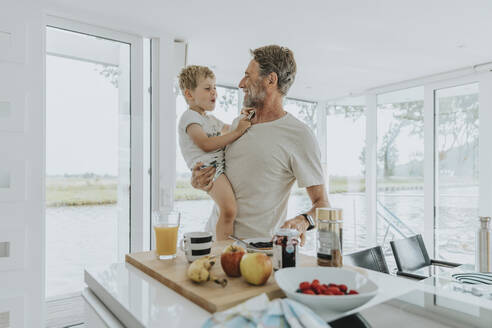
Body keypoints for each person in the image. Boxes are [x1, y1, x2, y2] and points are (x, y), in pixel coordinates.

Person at [191, 45, 330, 245]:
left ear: (271, 80)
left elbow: (323, 204)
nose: (241, 83)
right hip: (214, 244)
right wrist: (200, 181)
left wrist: (303, 221)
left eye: (248, 76)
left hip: (257, 254)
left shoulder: (299, 135)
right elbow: (225, 178)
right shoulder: (240, 123)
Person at [177, 65, 252, 241]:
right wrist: (237, 133)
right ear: (189, 94)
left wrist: (243, 117)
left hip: (218, 167)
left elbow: (228, 127)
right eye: (207, 88)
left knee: (228, 209)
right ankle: (223, 249)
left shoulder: (208, 119)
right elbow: (205, 144)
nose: (214, 93)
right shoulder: (189, 118)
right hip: (209, 169)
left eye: (215, 88)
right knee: (229, 209)